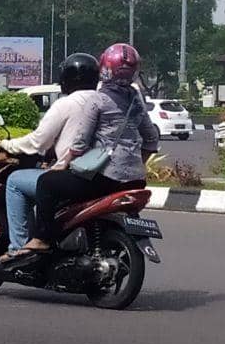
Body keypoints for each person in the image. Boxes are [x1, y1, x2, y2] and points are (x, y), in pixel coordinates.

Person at [18, 43, 159, 257]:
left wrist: (60, 166)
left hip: (105, 178)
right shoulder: (136, 100)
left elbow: (80, 143)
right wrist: (134, 163)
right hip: (136, 180)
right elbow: (151, 139)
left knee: (46, 183)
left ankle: (42, 239)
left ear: (105, 69)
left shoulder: (97, 99)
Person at [0, 53, 101, 263]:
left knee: (15, 182)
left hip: (76, 173)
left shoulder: (67, 103)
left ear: (67, 78)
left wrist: (7, 144)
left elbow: (38, 141)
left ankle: (18, 248)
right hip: (103, 170)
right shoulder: (104, 100)